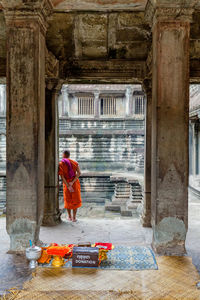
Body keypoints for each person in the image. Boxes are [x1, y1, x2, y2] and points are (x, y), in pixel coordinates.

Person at [58, 150, 82, 222]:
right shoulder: (74, 162)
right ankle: (74, 218)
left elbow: (62, 177)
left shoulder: (61, 163)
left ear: (63, 155)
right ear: (69, 155)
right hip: (74, 183)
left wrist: (68, 185)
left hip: (66, 183)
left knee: (67, 200)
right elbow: (79, 173)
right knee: (75, 200)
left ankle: (69, 217)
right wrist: (72, 182)